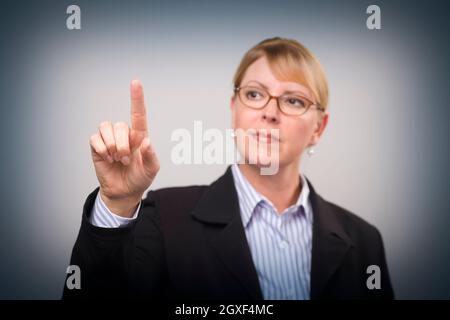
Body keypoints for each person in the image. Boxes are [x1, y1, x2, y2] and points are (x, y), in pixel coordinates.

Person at [63, 37, 394, 299]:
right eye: (254, 94)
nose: (270, 112)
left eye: (294, 100)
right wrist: (118, 203)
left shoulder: (364, 242)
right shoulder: (162, 217)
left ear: (319, 128)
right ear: (234, 109)